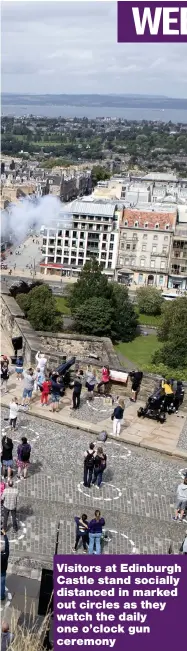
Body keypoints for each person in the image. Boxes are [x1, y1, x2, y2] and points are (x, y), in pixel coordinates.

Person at [1, 533, 9, 602]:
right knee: (2, 585)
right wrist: (5, 536)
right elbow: (7, 546)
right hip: (2, 571)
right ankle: (2, 596)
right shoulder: (5, 555)